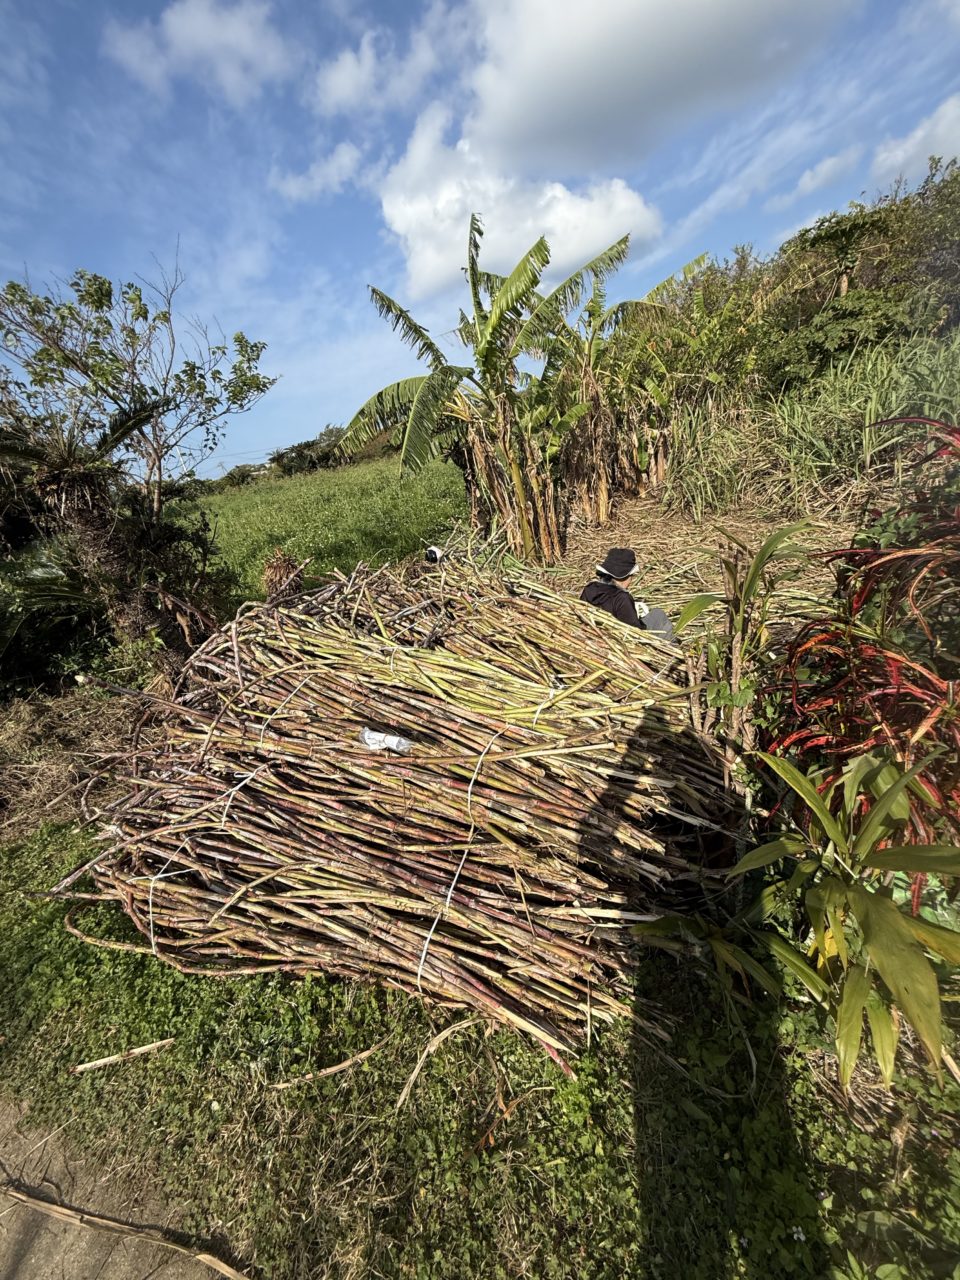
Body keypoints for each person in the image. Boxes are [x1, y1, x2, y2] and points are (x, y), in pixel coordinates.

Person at [580, 547, 675, 640]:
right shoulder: (621, 598)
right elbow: (635, 632)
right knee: (658, 614)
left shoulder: (590, 588)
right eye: (631, 576)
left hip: (597, 634)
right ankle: (672, 649)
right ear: (625, 577)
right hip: (620, 639)